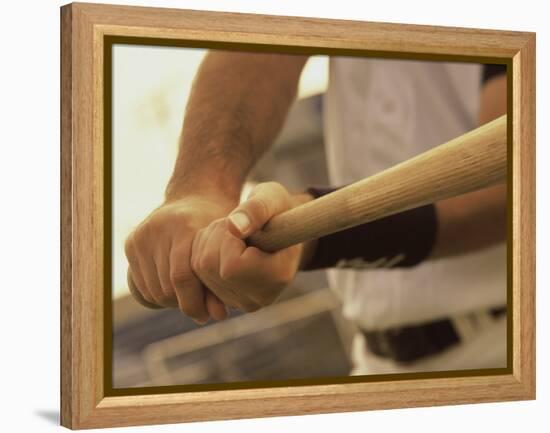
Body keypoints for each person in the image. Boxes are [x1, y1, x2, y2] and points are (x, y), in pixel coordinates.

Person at [124, 51, 507, 373]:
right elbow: (263, 39)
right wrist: (200, 190)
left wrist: (312, 234)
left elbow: (515, 180)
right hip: (377, 362)